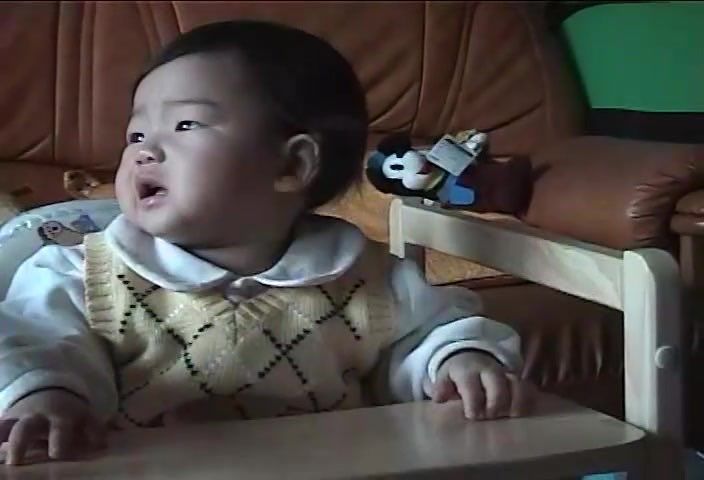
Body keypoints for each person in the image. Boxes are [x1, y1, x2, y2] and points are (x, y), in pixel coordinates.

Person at [0, 20, 532, 466]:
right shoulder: (78, 274)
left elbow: (428, 334)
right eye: (136, 135)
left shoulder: (367, 279)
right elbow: (40, 343)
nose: (144, 151)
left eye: (185, 124)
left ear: (291, 165)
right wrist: (48, 394)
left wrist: (457, 359)